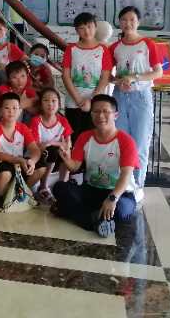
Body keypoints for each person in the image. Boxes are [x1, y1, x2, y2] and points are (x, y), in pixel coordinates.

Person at [52, 94, 139, 238]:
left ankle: (77, 214)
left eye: (105, 111)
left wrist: (112, 198)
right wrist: (66, 158)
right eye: (96, 111)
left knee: (122, 210)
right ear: (91, 114)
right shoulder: (85, 137)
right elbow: (74, 167)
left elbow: (126, 175)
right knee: (59, 188)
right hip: (91, 190)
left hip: (119, 193)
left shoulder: (126, 141)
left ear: (115, 115)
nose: (100, 116)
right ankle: (96, 220)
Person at [110, 6, 163, 202]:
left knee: (140, 142)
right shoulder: (114, 47)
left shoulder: (147, 44)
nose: (128, 23)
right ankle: (123, 183)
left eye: (132, 19)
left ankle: (138, 185)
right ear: (119, 22)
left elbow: (158, 72)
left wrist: (135, 77)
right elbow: (108, 76)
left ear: (138, 22)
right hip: (119, 97)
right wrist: (118, 81)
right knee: (121, 141)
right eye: (124, 19)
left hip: (141, 97)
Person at [0, 93, 46, 211]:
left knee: (41, 167)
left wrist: (32, 161)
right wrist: (19, 160)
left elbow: (35, 150)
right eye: (7, 108)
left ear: (20, 110)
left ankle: (22, 192)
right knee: (6, 172)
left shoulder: (23, 128)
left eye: (15, 108)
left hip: (18, 164)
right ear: (0, 110)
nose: (11, 111)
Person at [62, 12, 114, 146]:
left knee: (93, 138)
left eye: (89, 26)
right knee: (74, 138)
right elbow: (66, 76)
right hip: (73, 102)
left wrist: (92, 99)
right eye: (82, 28)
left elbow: (105, 77)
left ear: (95, 27)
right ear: (76, 30)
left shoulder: (103, 49)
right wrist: (79, 100)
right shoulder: (71, 49)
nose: (86, 31)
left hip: (95, 103)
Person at [29, 88, 72, 203]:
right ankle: (43, 187)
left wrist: (50, 143)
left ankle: (63, 187)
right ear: (40, 104)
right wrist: (55, 144)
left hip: (56, 156)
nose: (50, 104)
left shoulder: (63, 121)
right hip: (38, 157)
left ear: (59, 103)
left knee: (65, 152)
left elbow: (68, 144)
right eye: (46, 100)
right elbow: (37, 146)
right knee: (53, 151)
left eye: (54, 100)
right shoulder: (36, 121)